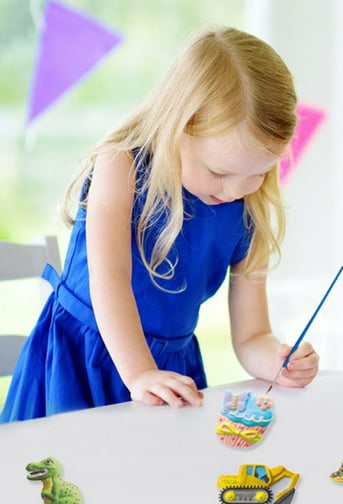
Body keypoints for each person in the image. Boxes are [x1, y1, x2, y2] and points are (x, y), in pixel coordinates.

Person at [1, 26, 318, 423]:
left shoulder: (249, 206)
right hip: (82, 362)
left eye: (258, 173)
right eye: (219, 172)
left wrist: (276, 360)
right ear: (177, 126)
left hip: (169, 373)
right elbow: (110, 277)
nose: (237, 190)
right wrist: (140, 373)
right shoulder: (121, 168)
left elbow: (252, 335)